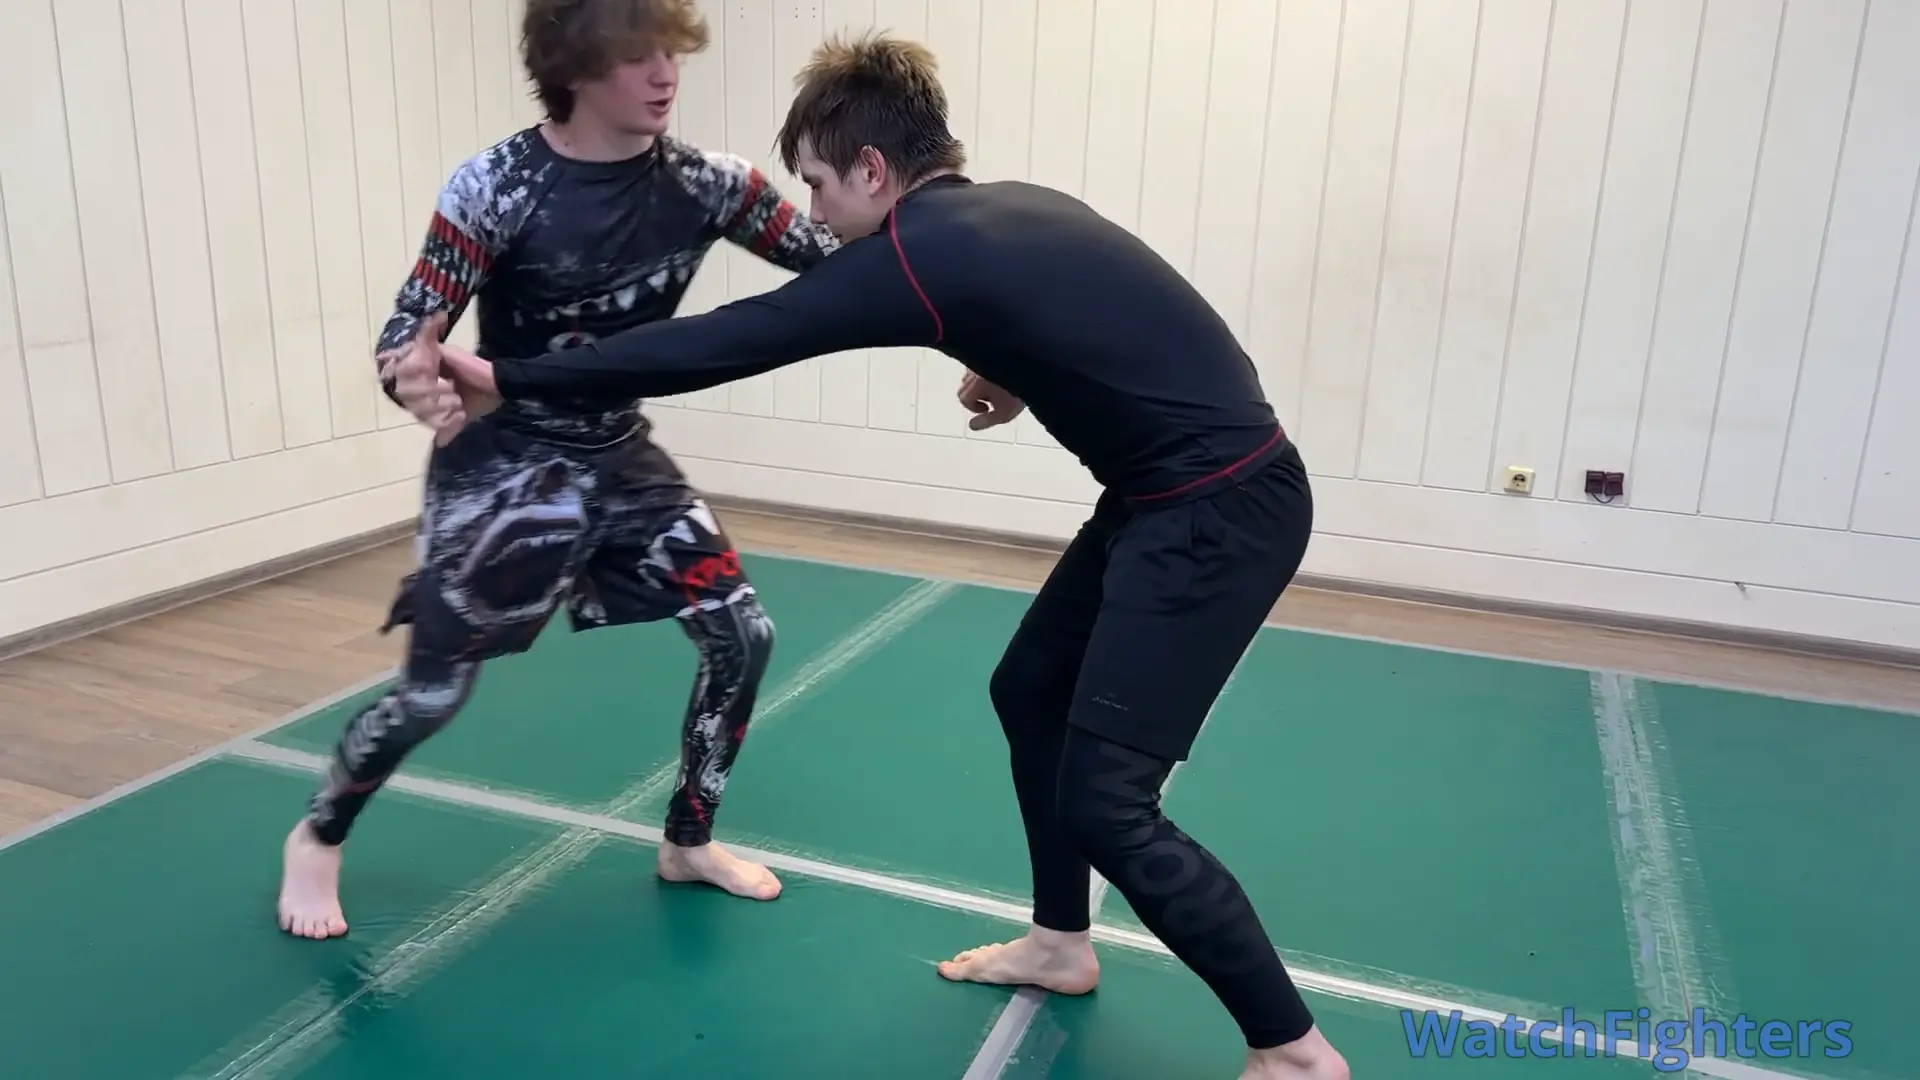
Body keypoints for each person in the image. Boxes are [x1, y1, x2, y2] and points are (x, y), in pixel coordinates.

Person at [421, 29, 1348, 1080]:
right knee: (1031, 691)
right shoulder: (1000, 215)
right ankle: (1061, 944)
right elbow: (1109, 324)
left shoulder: (915, 252)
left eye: (818, 183)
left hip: (1213, 512)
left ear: (872, 170)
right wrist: (1014, 369)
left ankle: (1293, 1051)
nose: (814, 212)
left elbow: (726, 340)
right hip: (1178, 494)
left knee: (1108, 803)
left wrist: (510, 377)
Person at [276, 0, 842, 940]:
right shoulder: (496, 187)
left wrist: (947, 249)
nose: (664, 74)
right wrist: (413, 374)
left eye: (672, 52)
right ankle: (319, 835)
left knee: (744, 634)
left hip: (620, 454)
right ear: (575, 66)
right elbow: (409, 328)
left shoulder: (712, 185)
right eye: (636, 55)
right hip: (506, 463)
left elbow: (842, 265)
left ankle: (688, 841)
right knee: (432, 694)